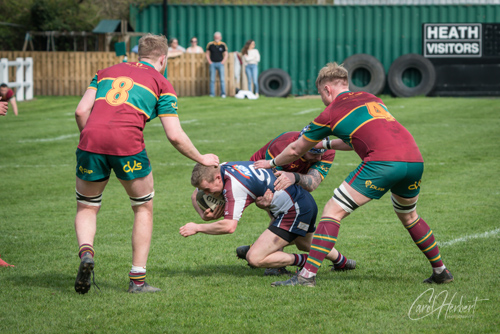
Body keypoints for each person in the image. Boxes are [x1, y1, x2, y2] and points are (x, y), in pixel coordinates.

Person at [255, 62, 454, 287]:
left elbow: (295, 149)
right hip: (414, 158)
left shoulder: (331, 112)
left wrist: (271, 162)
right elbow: (355, 140)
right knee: (409, 216)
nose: (322, 99)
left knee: (332, 210)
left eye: (321, 94)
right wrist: (326, 142)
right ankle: (441, 271)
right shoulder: (372, 98)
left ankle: (306, 276)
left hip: (383, 161)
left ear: (327, 90)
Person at [73, 33, 219, 294]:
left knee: (87, 206)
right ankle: (137, 281)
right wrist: (201, 158)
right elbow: (174, 135)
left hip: (90, 141)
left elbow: (81, 111)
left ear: (139, 53)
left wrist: (91, 138)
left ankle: (86, 253)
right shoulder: (161, 82)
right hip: (127, 144)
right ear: (163, 58)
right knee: (142, 208)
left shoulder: (105, 71)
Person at [181, 162, 344, 273]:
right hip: (300, 203)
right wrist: (203, 215)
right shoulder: (221, 168)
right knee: (305, 243)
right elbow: (195, 194)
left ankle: (307, 261)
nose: (207, 194)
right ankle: (342, 262)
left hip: (296, 209)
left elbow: (229, 226)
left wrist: (197, 227)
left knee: (255, 257)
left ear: (217, 178)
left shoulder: (235, 187)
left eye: (207, 189)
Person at [206, 32, 228, 98]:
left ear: (220, 38)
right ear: (214, 37)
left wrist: (223, 61)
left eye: (218, 37)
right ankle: (212, 93)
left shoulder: (223, 45)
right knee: (212, 79)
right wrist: (209, 61)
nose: (217, 38)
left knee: (222, 79)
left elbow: (226, 54)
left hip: (220, 63)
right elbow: (207, 54)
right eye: (216, 37)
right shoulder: (210, 45)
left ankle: (223, 93)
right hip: (213, 63)